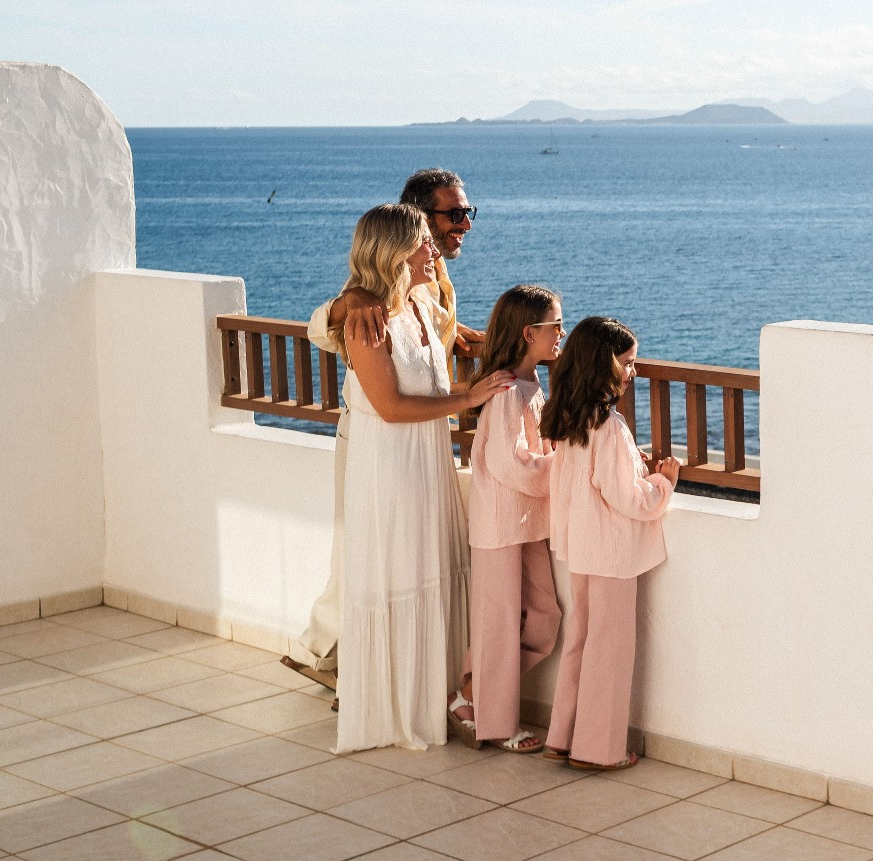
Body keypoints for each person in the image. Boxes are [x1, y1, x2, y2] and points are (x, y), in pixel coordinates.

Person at [289, 169, 507, 683]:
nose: (465, 224)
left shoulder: (430, 278)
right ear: (420, 221)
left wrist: (457, 334)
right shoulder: (367, 290)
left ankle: (368, 670)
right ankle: (343, 669)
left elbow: (419, 327)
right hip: (377, 439)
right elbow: (321, 330)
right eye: (454, 214)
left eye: (467, 212)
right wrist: (346, 303)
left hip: (421, 436)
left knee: (397, 562)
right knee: (364, 560)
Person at [331, 204, 499, 753]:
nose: (434, 251)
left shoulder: (424, 306)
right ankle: (397, 709)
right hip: (391, 468)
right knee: (402, 572)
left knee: (433, 568)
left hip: (428, 460)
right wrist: (470, 398)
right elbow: (391, 406)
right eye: (423, 242)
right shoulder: (364, 321)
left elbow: (439, 371)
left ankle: (437, 697)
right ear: (394, 252)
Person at [539, 317, 678, 770]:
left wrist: (631, 464)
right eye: (629, 363)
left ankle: (563, 737)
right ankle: (598, 750)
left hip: (581, 547)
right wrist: (662, 482)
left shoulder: (570, 419)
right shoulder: (610, 426)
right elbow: (627, 497)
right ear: (606, 365)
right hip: (611, 554)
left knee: (581, 642)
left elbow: (592, 477)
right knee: (610, 649)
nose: (634, 371)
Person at [450, 284, 564, 752]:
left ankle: (471, 692)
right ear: (528, 333)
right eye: (555, 325)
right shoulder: (505, 392)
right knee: (498, 623)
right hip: (500, 522)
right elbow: (509, 462)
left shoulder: (529, 384)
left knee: (543, 617)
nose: (561, 333)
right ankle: (496, 723)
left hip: (528, 519)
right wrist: (564, 466)